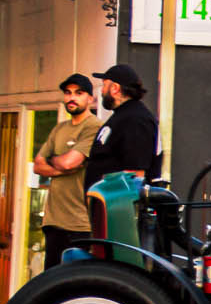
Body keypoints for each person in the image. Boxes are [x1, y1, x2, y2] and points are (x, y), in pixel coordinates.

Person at [31, 73, 100, 270]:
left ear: (90, 98)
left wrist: (55, 161)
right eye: (68, 93)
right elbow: (38, 165)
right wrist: (61, 167)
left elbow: (70, 162)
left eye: (79, 93)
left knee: (74, 282)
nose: (72, 98)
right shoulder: (59, 129)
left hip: (80, 224)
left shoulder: (94, 127)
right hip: (54, 221)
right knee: (51, 280)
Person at [83, 63, 161, 188]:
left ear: (115, 88)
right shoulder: (122, 116)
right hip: (103, 198)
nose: (102, 91)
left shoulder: (136, 119)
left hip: (121, 199)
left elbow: (135, 174)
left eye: (104, 85)